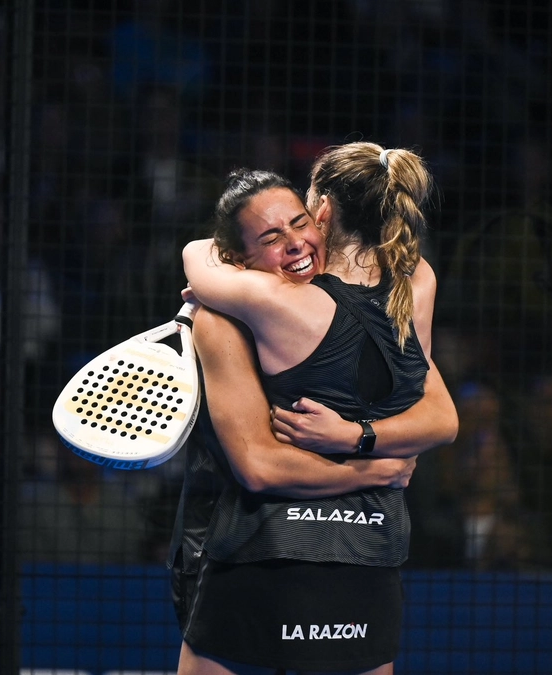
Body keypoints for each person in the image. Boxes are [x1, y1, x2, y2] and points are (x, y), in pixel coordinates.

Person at [176, 145, 458, 673]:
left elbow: (199, 254)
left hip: (264, 550)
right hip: (374, 552)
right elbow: (441, 419)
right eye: (271, 236)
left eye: (299, 221)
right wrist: (372, 454)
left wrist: (353, 439)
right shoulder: (414, 285)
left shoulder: (257, 303)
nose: (294, 242)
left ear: (322, 211)